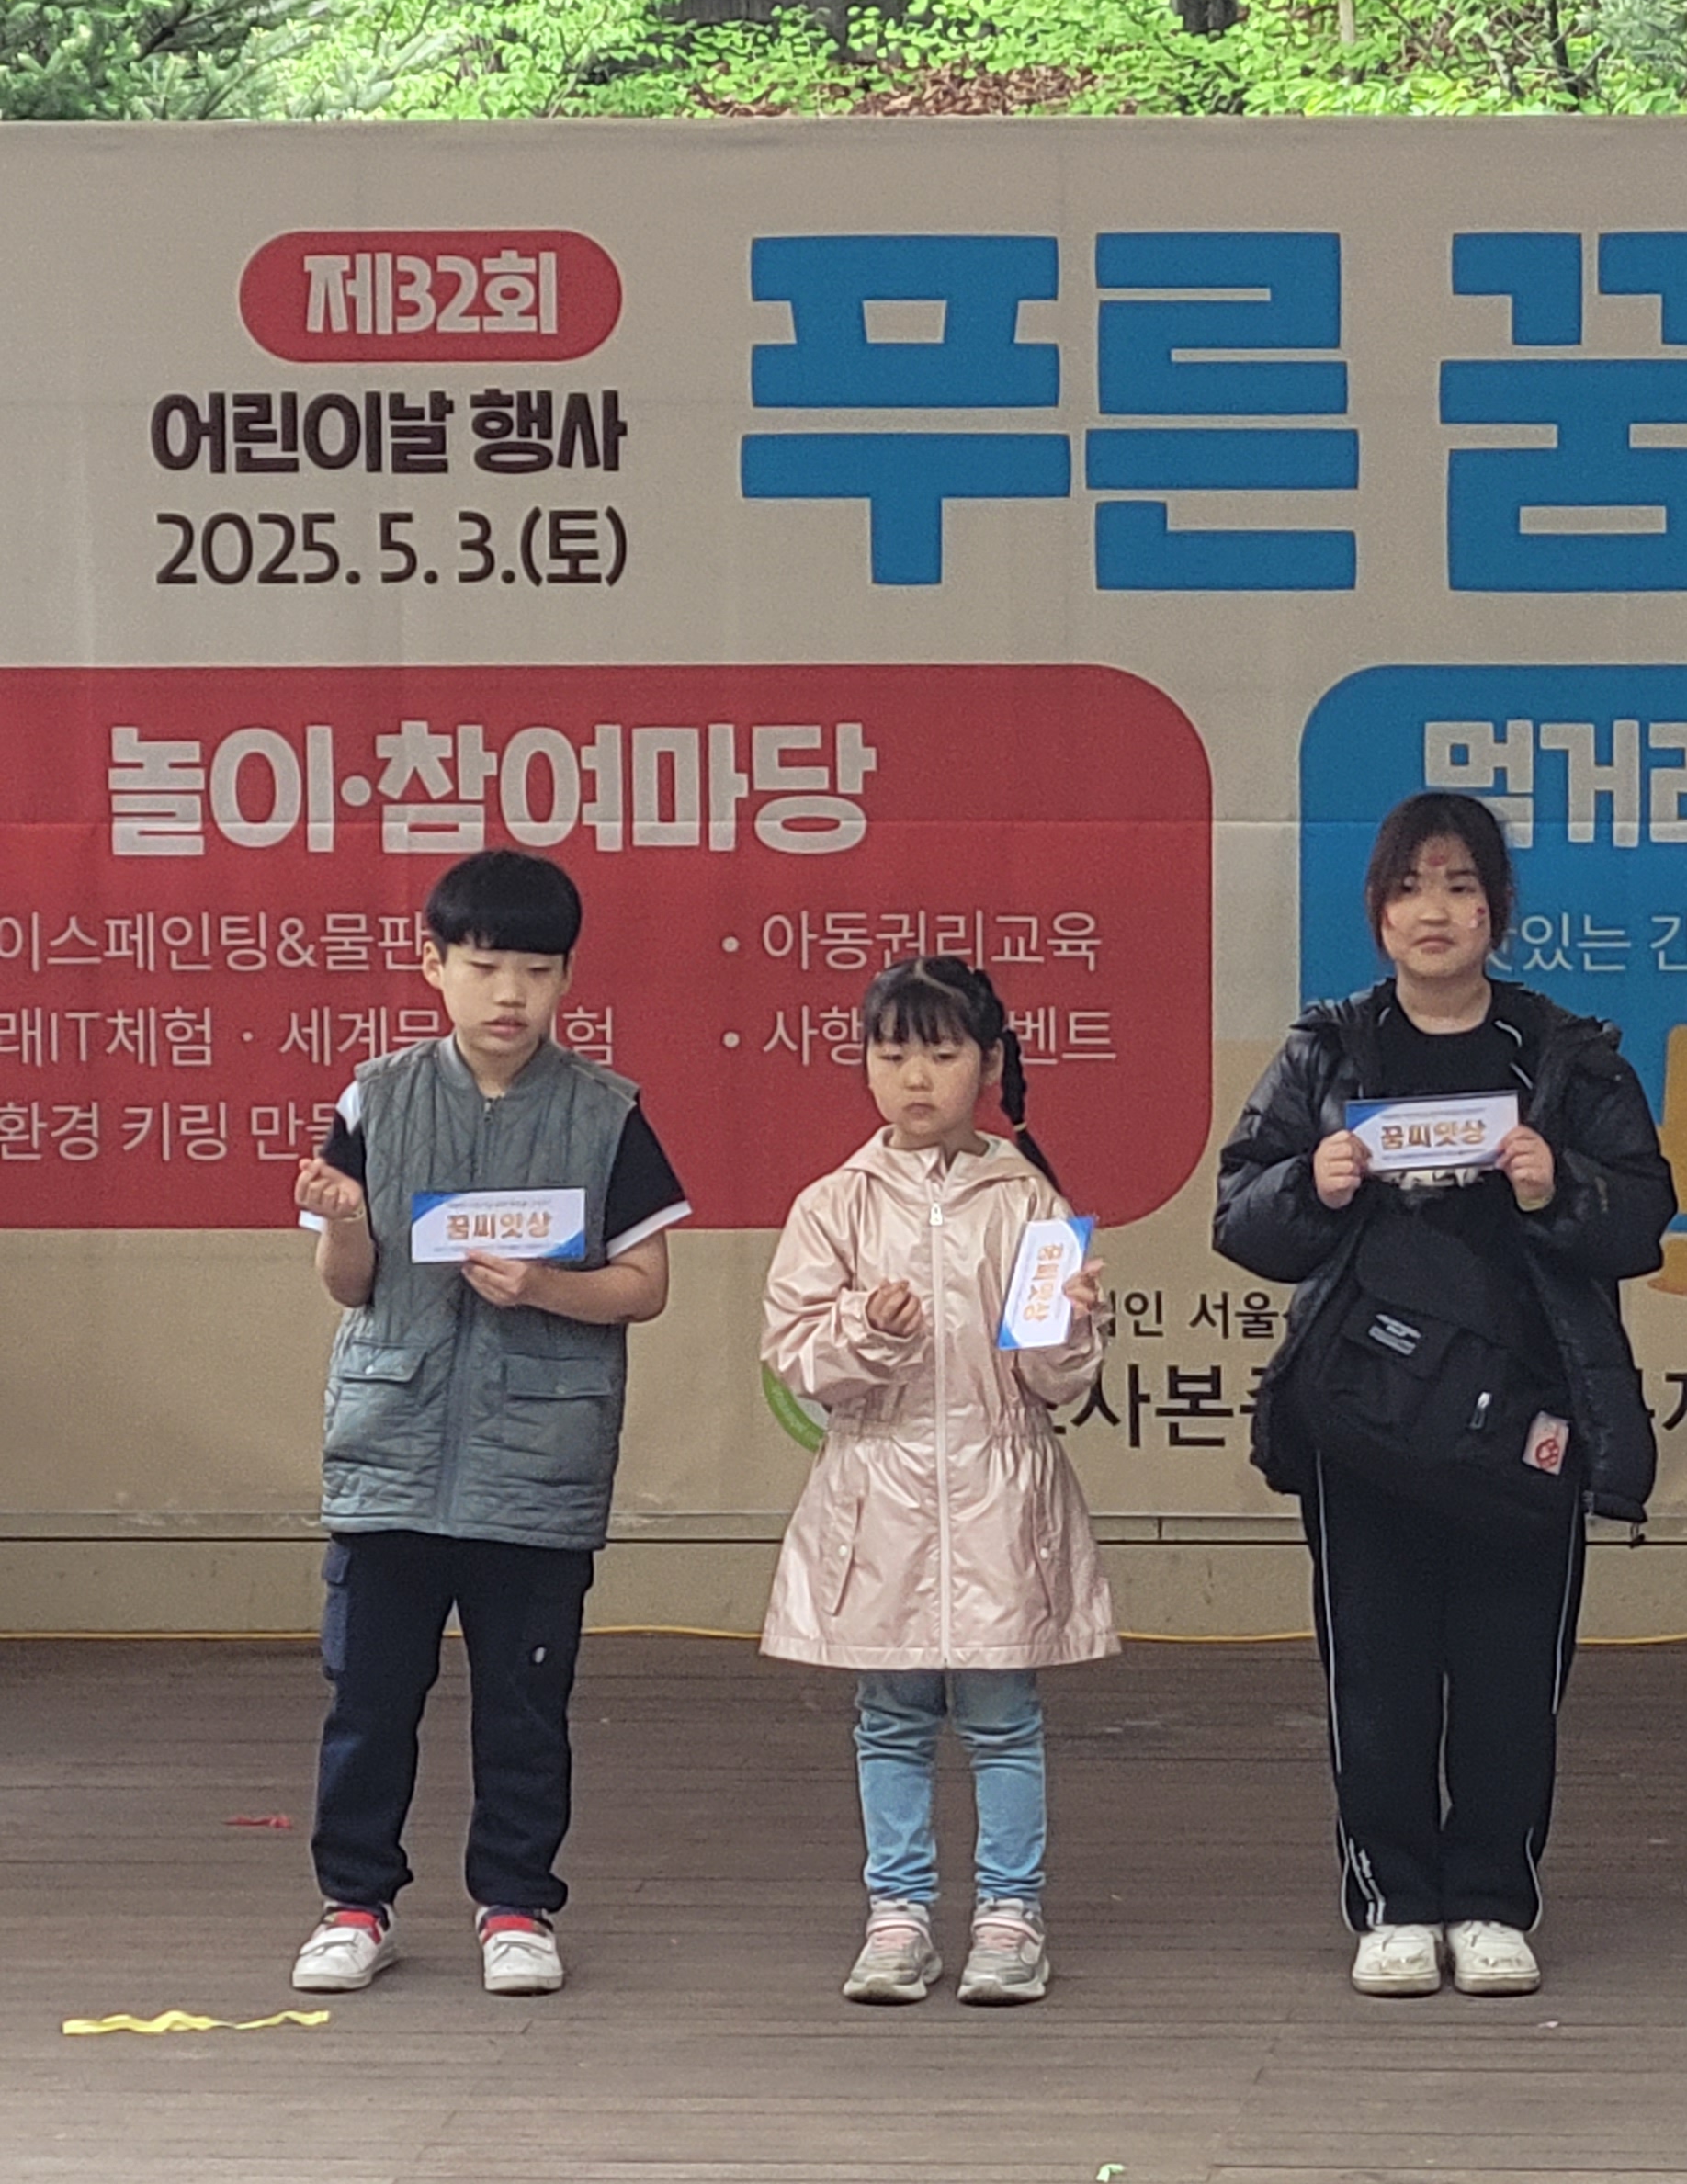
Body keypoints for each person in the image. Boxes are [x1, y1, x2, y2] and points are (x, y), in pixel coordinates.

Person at [1214, 793, 1673, 2001]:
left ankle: (1492, 1899)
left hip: (1527, 1414)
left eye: (1462, 886)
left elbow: (1642, 1218)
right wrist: (1311, 1183)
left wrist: (1556, 1183)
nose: (1436, 911)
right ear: (1377, 913)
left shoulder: (1564, 1054)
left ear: (1498, 912)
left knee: (1514, 1672)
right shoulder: (1329, 1052)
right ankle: (1393, 1902)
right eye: (1411, 887)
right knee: (1377, 1669)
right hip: (1364, 1416)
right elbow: (1241, 1215)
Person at [289, 849, 684, 1999]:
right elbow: (350, 1286)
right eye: (484, 965)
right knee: (370, 1699)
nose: (510, 993)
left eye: (538, 970)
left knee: (525, 1705)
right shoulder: (377, 1097)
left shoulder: (606, 1112)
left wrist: (546, 1287)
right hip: (393, 1454)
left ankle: (516, 1907)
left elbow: (646, 1286)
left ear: (568, 979)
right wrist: (344, 1219)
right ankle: (354, 1904)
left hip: (536, 1461)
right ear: (433, 965)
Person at [760, 957, 1115, 2010]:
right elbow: (795, 1354)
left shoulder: (1027, 1195)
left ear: (990, 1064)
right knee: (890, 1717)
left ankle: (1010, 1916)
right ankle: (899, 1916)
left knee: (1004, 1716)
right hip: (883, 1491)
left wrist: (1068, 1325)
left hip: (1000, 1489)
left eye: (943, 1052)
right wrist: (865, 1329)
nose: (915, 1077)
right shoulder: (833, 1203)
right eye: (893, 1053)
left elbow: (1053, 1381)